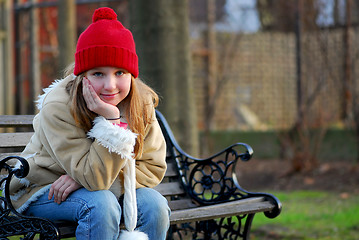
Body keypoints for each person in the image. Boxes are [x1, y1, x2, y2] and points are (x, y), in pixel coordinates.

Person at [8, 7, 170, 240]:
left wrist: (79, 179)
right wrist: (112, 123)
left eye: (120, 72)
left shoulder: (140, 104)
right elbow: (95, 180)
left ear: (132, 75)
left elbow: (153, 168)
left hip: (91, 188)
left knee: (155, 204)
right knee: (100, 204)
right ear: (82, 75)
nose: (110, 85)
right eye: (98, 74)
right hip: (44, 190)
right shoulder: (59, 106)